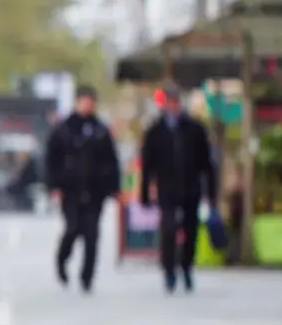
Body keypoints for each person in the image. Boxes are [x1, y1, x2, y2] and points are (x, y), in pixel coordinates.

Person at [137, 84, 217, 293]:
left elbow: (207, 163)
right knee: (169, 228)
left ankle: (187, 267)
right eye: (169, 102)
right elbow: (147, 165)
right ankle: (169, 270)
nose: (172, 106)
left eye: (175, 101)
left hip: (191, 188)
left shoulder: (195, 129)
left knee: (190, 231)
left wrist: (211, 191)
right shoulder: (155, 131)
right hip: (167, 188)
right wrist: (145, 192)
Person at [44, 85, 122, 292]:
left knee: (92, 234)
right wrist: (53, 185)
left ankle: (87, 276)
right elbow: (51, 159)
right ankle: (62, 258)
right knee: (73, 227)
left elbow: (111, 160)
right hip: (70, 189)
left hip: (95, 190)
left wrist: (114, 187)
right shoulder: (64, 129)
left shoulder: (100, 130)